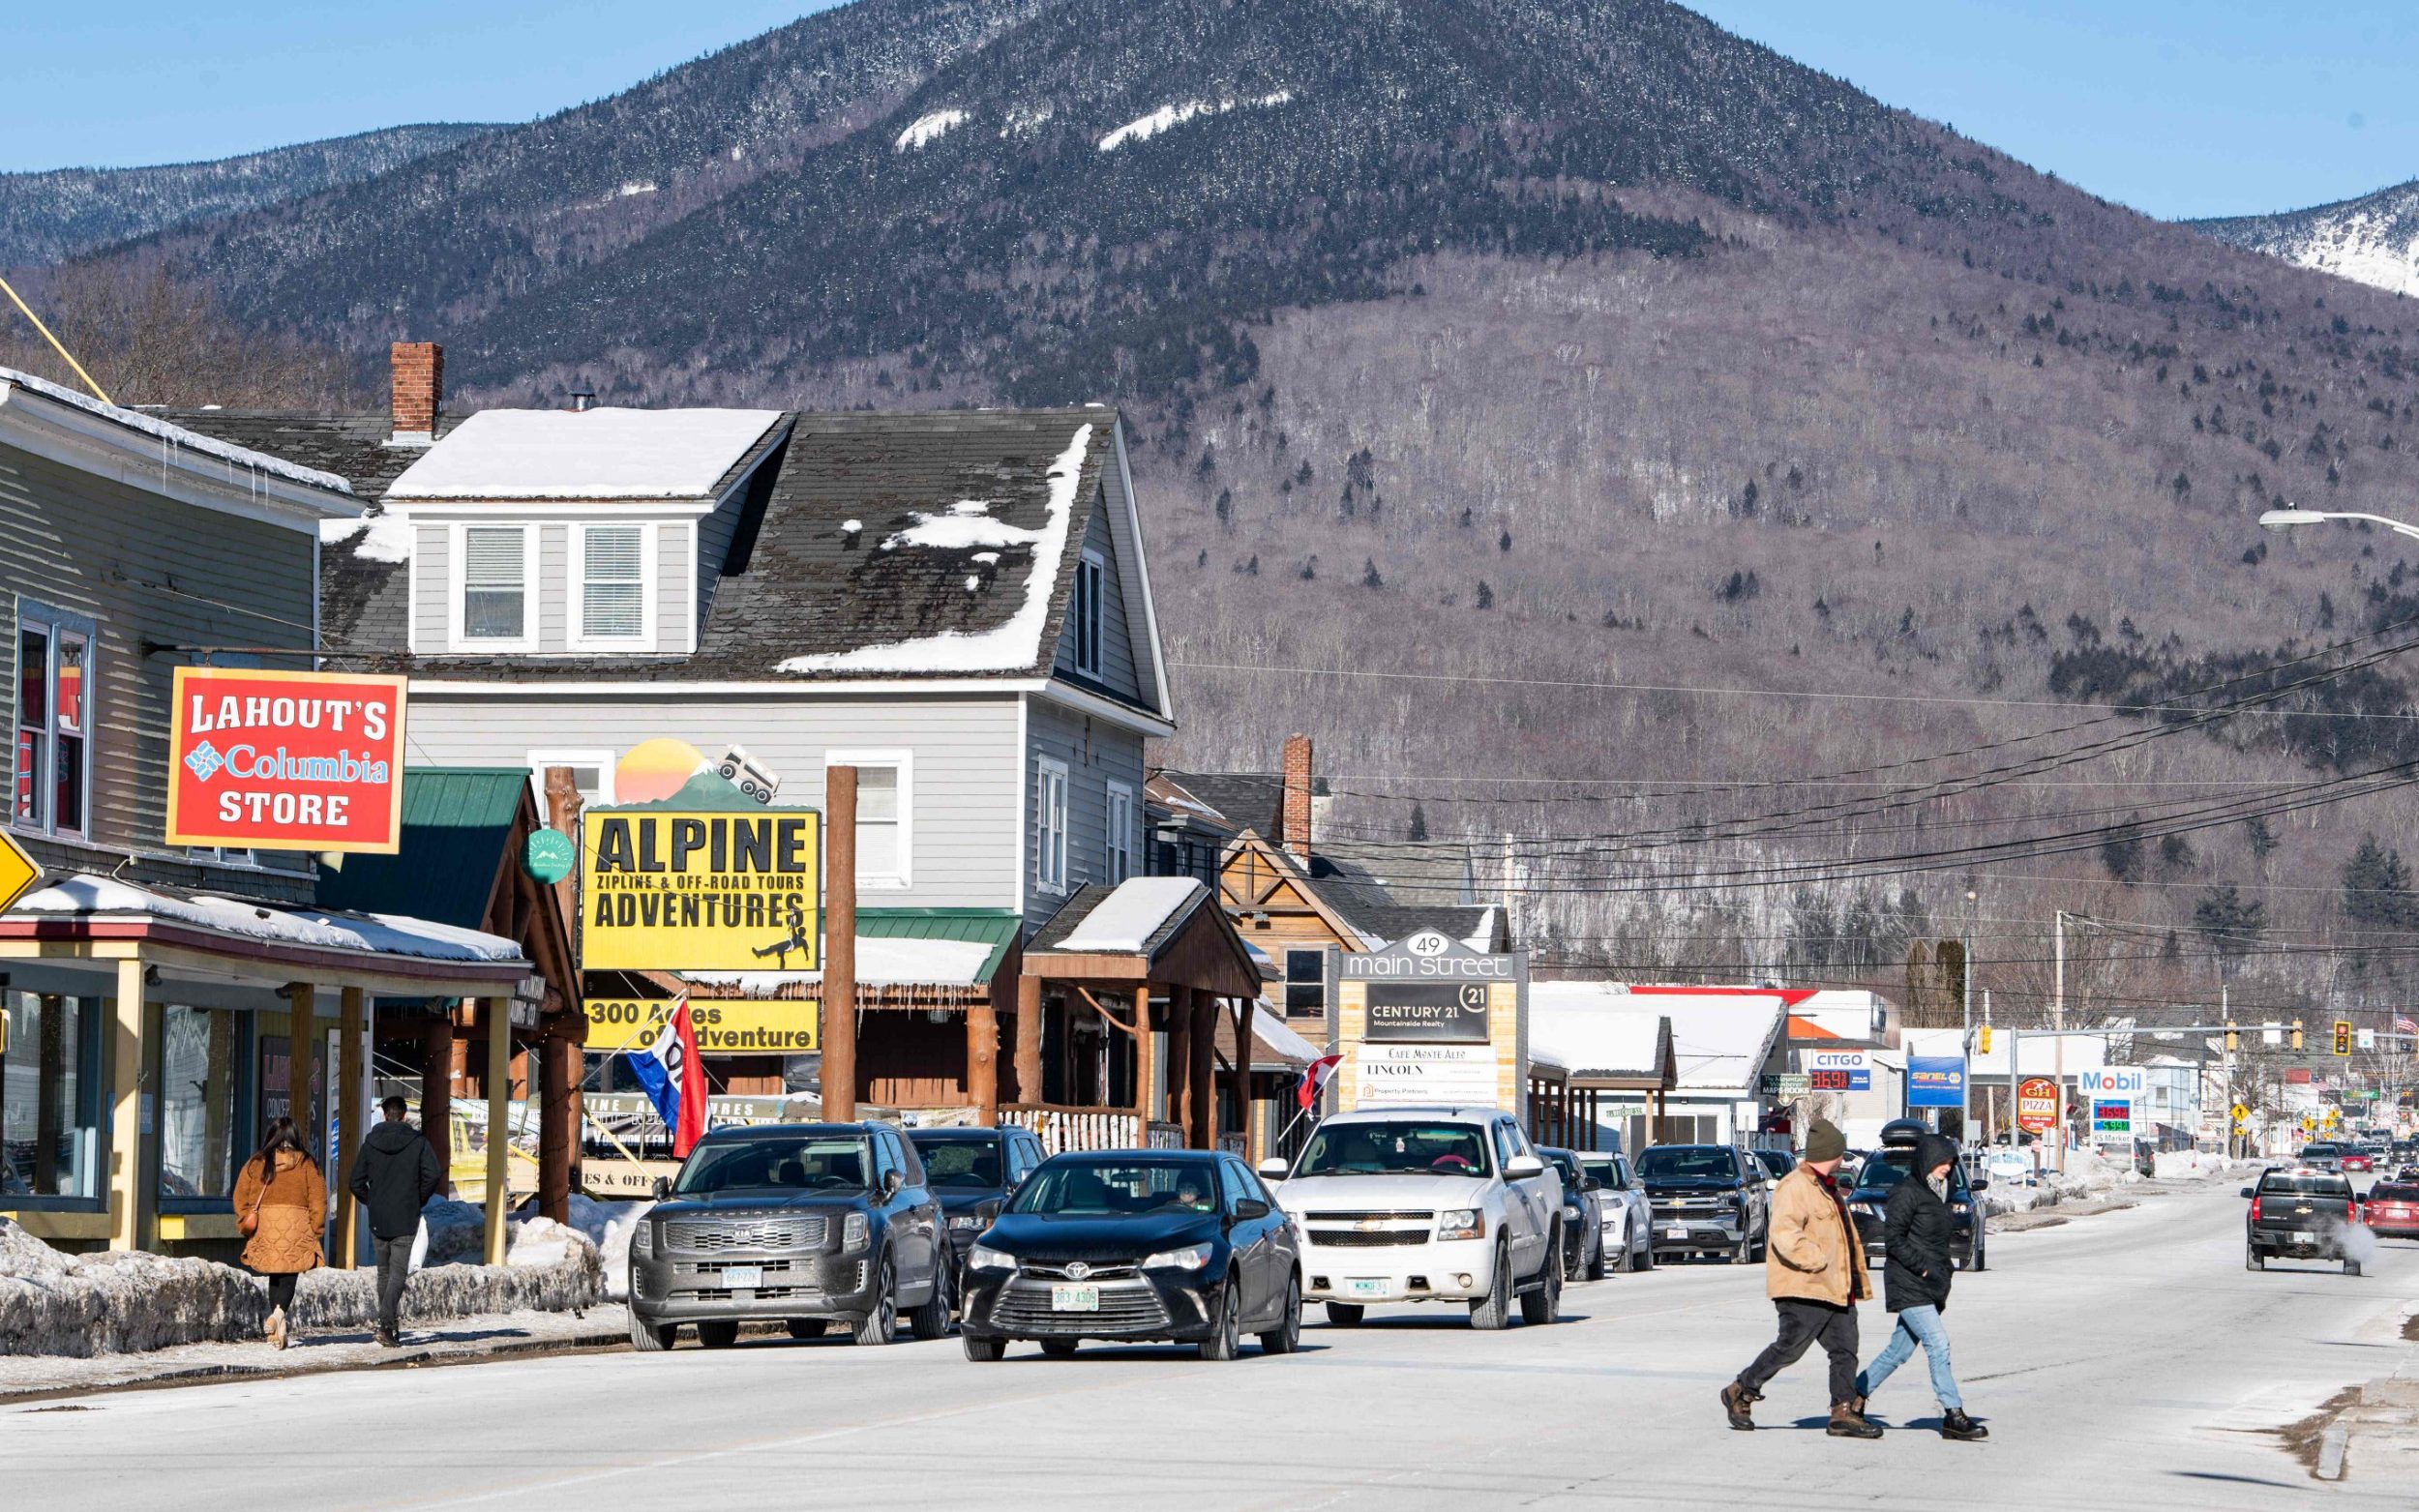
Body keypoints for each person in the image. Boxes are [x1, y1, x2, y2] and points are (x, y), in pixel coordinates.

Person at [1719, 1119, 1882, 1438]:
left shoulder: (1826, 1186)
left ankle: (1842, 1412)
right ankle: (1741, 1389)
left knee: (1845, 1349)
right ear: (1830, 1153)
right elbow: (1785, 1234)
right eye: (1840, 1153)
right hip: (1805, 1286)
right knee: (1789, 1348)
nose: (1842, 1159)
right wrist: (1819, 1260)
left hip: (1836, 1287)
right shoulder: (1795, 1187)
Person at [1854, 1134, 1986, 1440]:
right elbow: (1894, 1240)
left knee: (1897, 1351)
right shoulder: (1906, 1193)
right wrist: (1923, 1268)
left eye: (1950, 1162)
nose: (1947, 1167)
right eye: (1942, 1161)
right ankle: (1953, 1414)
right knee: (1939, 1345)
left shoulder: (1939, 1194)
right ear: (1927, 1161)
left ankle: (1855, 1395)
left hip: (1930, 1285)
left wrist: (1940, 1274)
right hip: (1909, 1282)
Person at [350, 1095, 443, 1348]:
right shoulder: (418, 1142)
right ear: (404, 1116)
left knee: (384, 1272)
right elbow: (433, 1174)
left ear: (383, 1115)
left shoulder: (370, 1143)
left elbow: (355, 1182)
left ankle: (389, 1329)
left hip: (379, 1216)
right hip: (405, 1214)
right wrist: (417, 1198)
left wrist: (372, 1200)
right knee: (398, 1273)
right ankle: (385, 1323)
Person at [232, 1116, 327, 1349]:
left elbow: (240, 1195)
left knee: (275, 1274)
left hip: (266, 1226)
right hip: (297, 1225)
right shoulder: (307, 1163)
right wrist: (316, 1228)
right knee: (289, 1274)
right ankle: (278, 1313)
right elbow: (318, 1199)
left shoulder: (256, 1163)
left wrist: (245, 1219)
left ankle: (279, 1324)